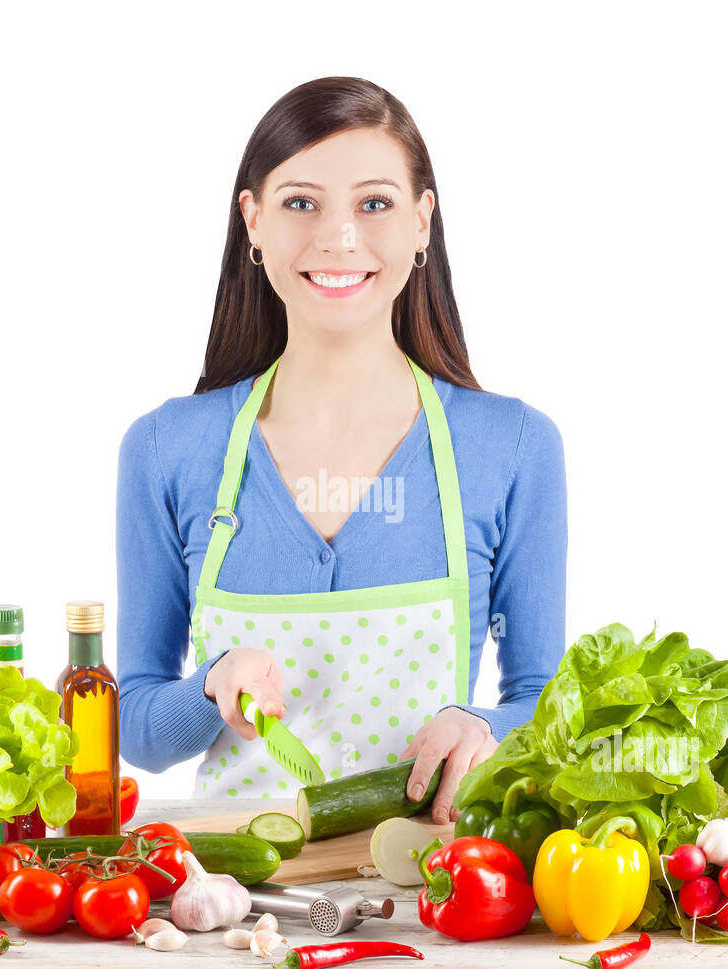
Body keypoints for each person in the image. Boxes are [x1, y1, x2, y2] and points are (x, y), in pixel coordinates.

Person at [116, 76, 565, 824]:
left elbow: (546, 706)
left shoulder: (513, 447)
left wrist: (487, 726)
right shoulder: (167, 450)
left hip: (438, 898)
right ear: (252, 220)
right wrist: (210, 685)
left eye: (375, 203)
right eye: (300, 203)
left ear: (422, 222)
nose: (338, 237)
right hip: (228, 898)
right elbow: (135, 727)